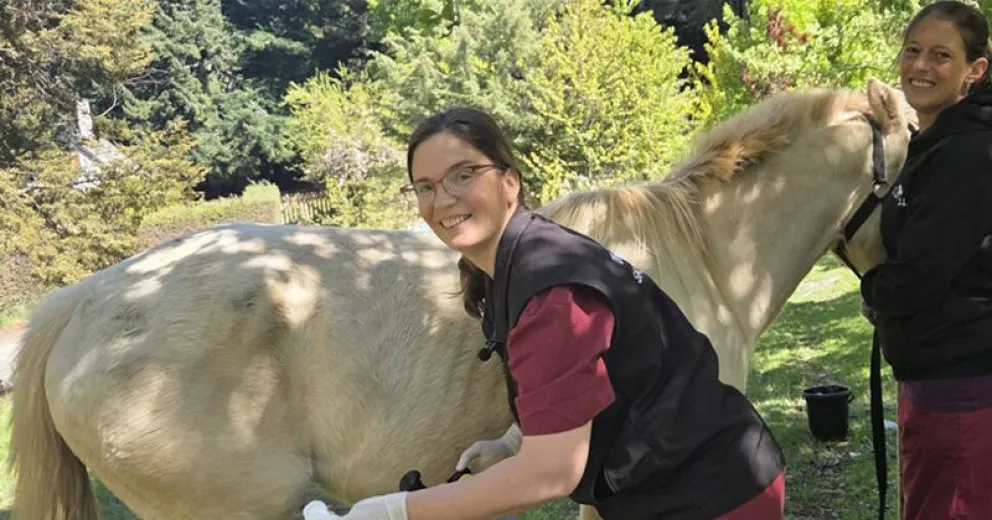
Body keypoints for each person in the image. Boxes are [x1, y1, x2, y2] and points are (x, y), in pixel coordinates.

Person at [303, 106, 786, 520]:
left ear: (509, 181)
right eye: (425, 187)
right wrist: (513, 443)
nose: (442, 199)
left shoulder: (550, 292)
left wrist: (393, 510)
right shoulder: (515, 261)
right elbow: (591, 379)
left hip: (714, 498)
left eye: (463, 175)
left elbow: (552, 472)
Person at [859, 1, 992, 519]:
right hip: (939, 374)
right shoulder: (939, 140)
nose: (920, 66)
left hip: (960, 382)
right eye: (913, 51)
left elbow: (920, 275)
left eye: (941, 56)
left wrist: (874, 291)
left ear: (974, 70)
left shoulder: (969, 152)